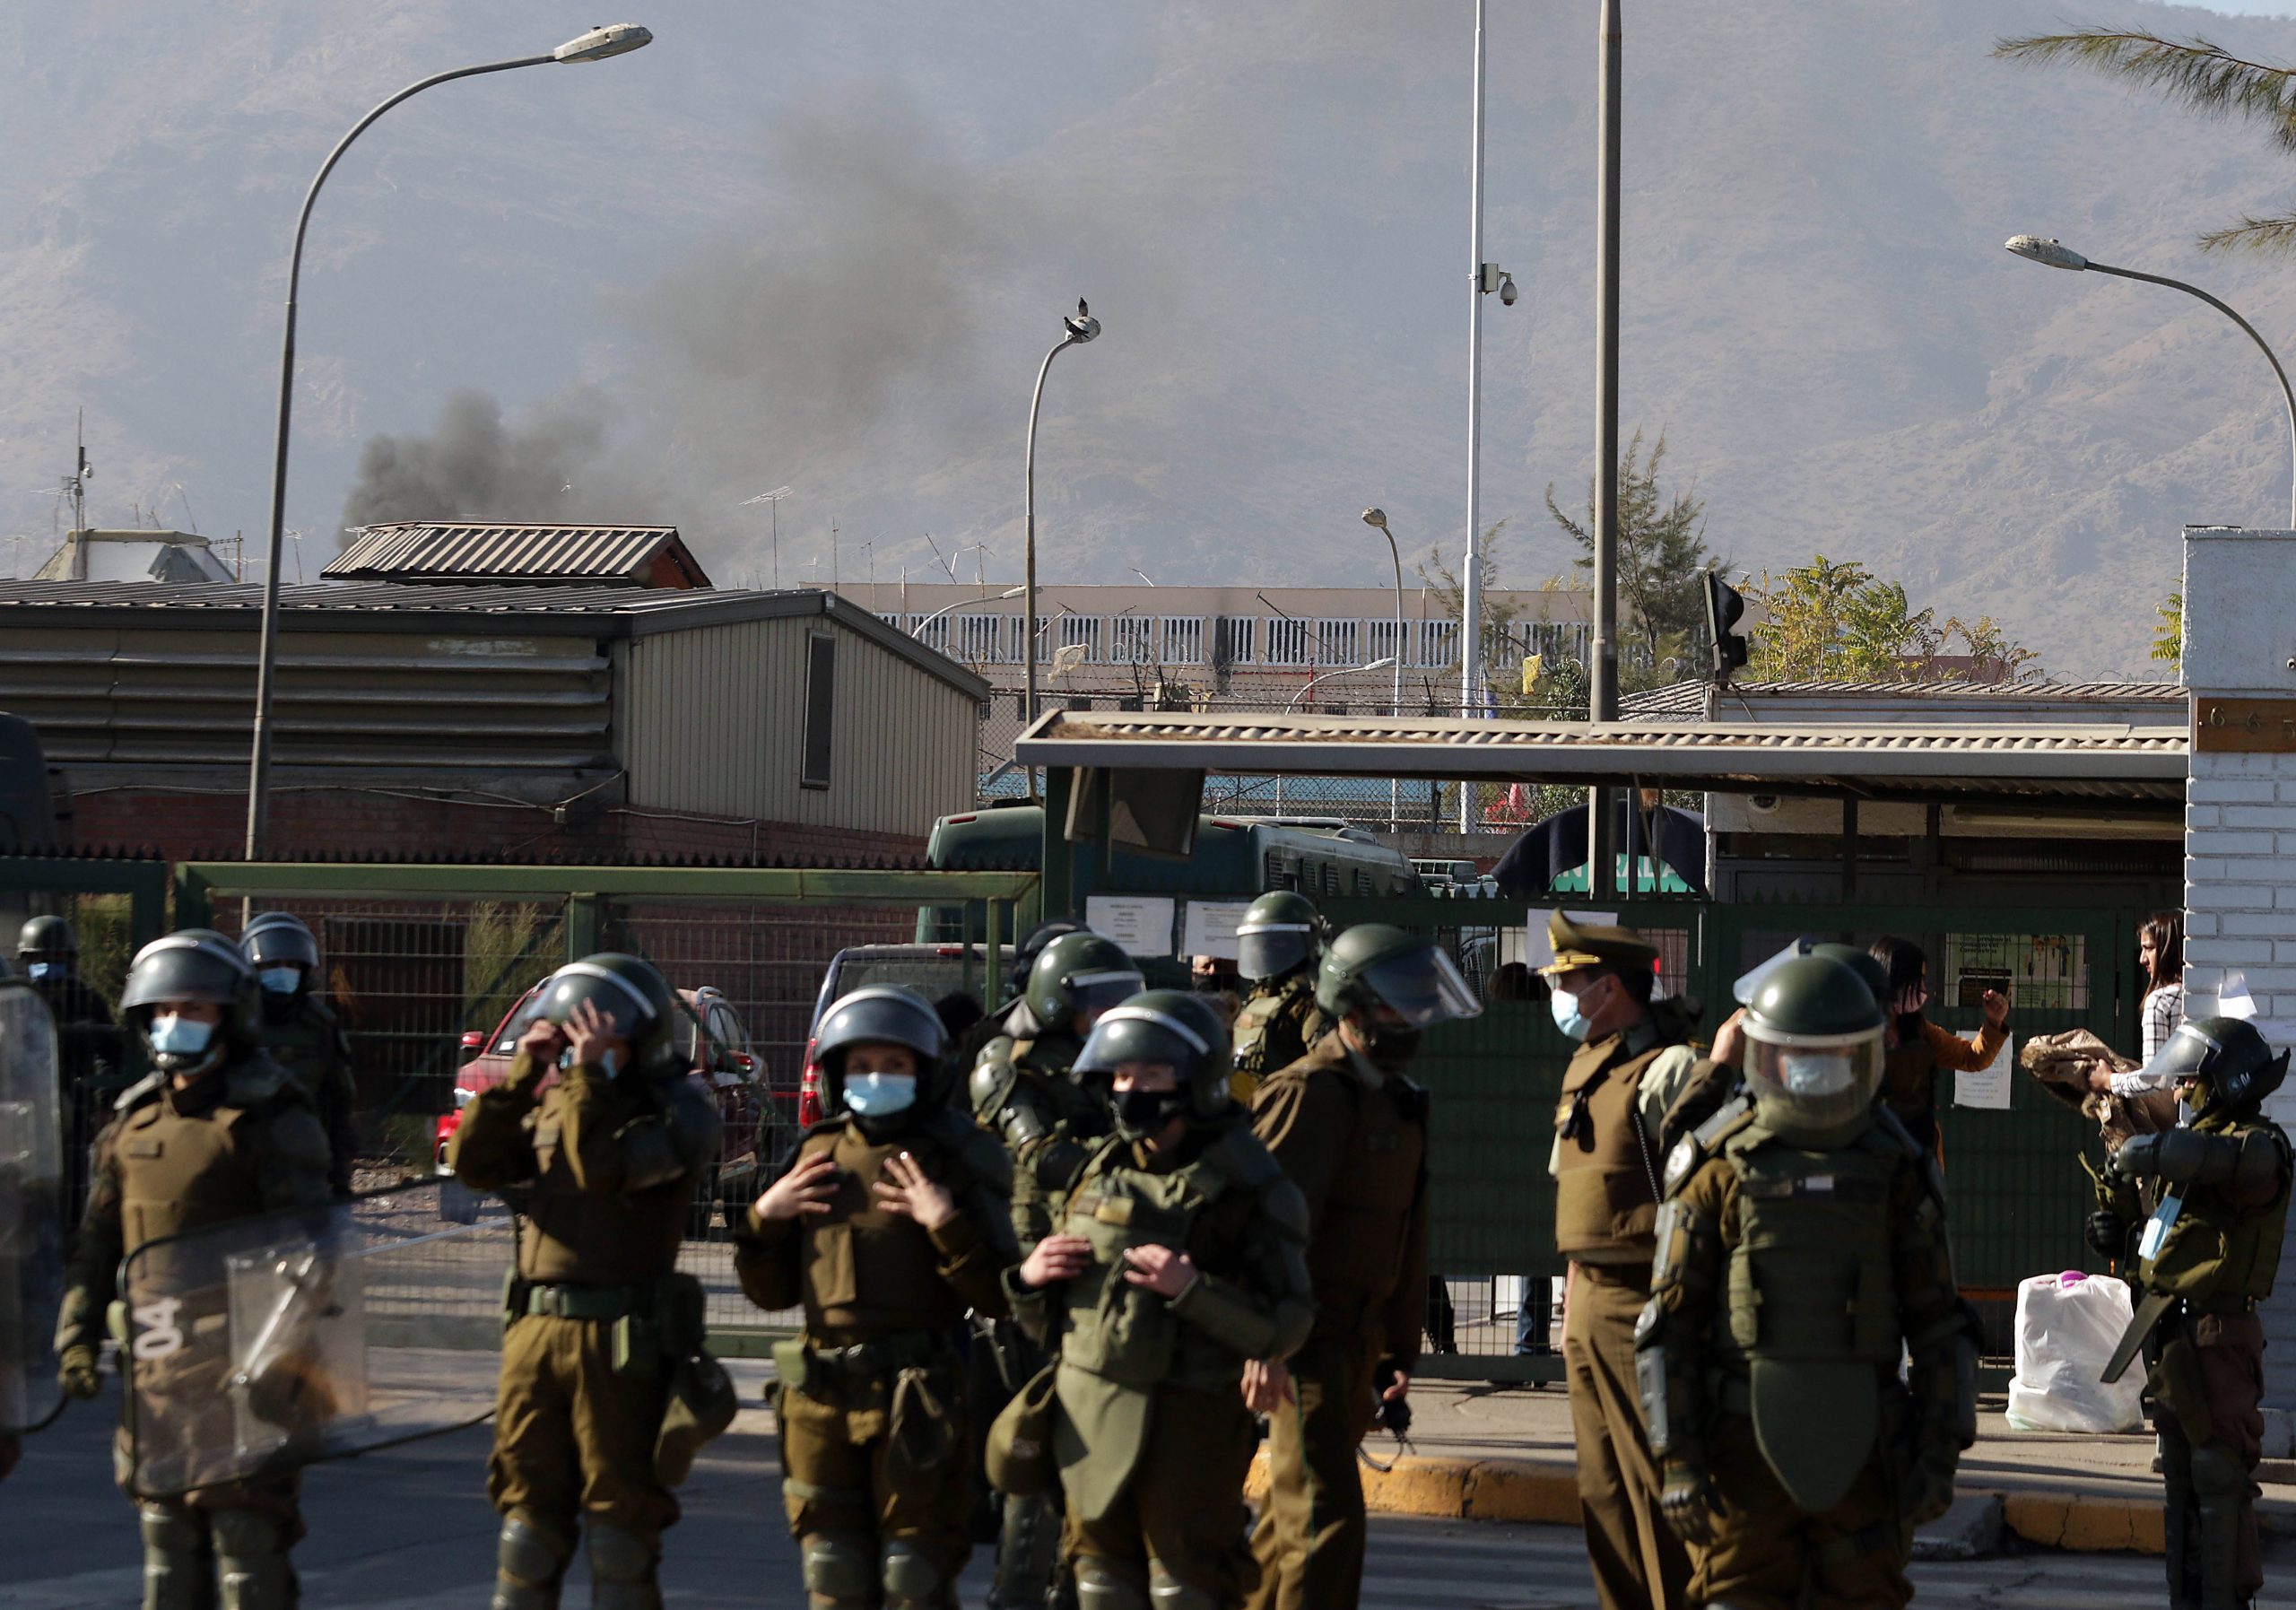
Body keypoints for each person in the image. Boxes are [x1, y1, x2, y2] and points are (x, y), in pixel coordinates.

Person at [1639, 951, 1979, 1610]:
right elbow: (1669, 1324)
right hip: (1745, 1457)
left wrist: (1939, 1452)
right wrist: (1678, 1458)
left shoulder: (1896, 1168)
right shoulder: (1720, 1164)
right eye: (1803, 1058)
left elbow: (1940, 1326)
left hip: (1867, 1453)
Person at [53, 928, 335, 1610]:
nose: (174, 1022)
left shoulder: (270, 1116)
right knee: (167, 1554)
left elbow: (311, 1255)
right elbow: (97, 1245)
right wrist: (76, 1335)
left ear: (231, 1015)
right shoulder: (132, 1120)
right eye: (163, 1009)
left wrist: (270, 1359)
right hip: (157, 1373)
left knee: (245, 1551)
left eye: (195, 1009)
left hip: (248, 1371)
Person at [1012, 989, 1313, 1610]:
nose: (1132, 1089)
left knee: (1186, 1590)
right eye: (1122, 1074)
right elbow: (1053, 1323)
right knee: (1100, 1586)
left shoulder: (1247, 1180)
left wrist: (1194, 1293)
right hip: (1091, 1417)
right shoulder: (1095, 1171)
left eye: (1151, 1074)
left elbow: (1288, 1319)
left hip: (1191, 1420)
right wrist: (1030, 1280)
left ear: (1196, 1079)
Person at [447, 953, 723, 1610]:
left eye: (595, 1035)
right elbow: (472, 1161)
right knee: (527, 1529)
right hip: (536, 1334)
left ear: (639, 1037)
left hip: (620, 1341)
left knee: (618, 1534)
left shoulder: (679, 1113)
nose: (577, 1048)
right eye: (569, 1035)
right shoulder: (556, 1104)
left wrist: (589, 1079)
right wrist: (521, 1078)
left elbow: (601, 1167)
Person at [736, 984, 1017, 1610]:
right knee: (833, 1572)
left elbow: (999, 1295)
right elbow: (771, 1292)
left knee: (914, 1574)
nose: (876, 1078)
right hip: (821, 1400)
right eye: (861, 1065)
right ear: (838, 1072)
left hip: (916, 1400)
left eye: (894, 1066)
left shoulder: (955, 1154)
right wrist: (765, 1217)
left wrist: (944, 1221)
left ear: (925, 1071)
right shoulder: (816, 1154)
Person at [1245, 924, 1481, 1610]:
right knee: (1325, 1522)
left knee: (1288, 1529)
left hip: (1356, 1344)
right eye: (1395, 1003)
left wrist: (1396, 1351)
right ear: (1350, 1007)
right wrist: (1265, 1342)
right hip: (1306, 1345)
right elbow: (1262, 1227)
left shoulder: (1391, 1096)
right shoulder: (1310, 1092)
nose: (1412, 1018)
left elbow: (1405, 1233)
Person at [970, 929, 1142, 1609]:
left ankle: (1076, 1585)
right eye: (1090, 1001)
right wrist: (1133, 1179)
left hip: (1100, 1259)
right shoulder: (1007, 1063)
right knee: (1040, 1445)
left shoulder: (1105, 1057)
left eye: (1112, 1001)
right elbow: (1040, 1151)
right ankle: (1018, 1590)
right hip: (1035, 1267)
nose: (1103, 1014)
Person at [1540, 909, 1702, 1610]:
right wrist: (1573, 1301)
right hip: (1588, 1301)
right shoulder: (1588, 1066)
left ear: (1609, 988)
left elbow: (1705, 1190)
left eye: (1571, 981)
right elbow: (1576, 1199)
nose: (1564, 995)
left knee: (1655, 1485)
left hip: (1646, 1299)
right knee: (1603, 1489)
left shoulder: (1671, 1066)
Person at [2105, 1016, 2292, 1610]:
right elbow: (2165, 1241)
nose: (2181, 1091)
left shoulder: (2258, 1145)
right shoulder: (2191, 1161)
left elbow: (2234, 1162)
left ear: (2225, 1081)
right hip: (2177, 1336)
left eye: (2191, 1080)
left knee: (2219, 1477)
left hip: (2220, 1336)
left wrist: (2151, 1148)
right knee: (2183, 1479)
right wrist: (2120, 1228)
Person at [240, 913, 360, 1197]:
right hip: (239, 1160)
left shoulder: (319, 1024)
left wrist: (340, 1179)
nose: (282, 973)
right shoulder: (234, 1018)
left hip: (302, 1160)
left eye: (291, 965)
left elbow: (340, 1104)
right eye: (271, 965)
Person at [17, 915, 125, 1219]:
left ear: (71, 960)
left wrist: (104, 1104)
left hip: (76, 1108)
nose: (50, 966)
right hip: (25, 1109)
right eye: (41, 959)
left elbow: (113, 1056)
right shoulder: (17, 1002)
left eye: (58, 958)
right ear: (27, 961)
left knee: (75, 1189)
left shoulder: (88, 1001)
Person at [1867, 935, 2008, 1158]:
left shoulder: (1920, 1029)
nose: (1925, 990)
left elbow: (1972, 1057)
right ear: (1897, 979)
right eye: (1918, 980)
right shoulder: (1856, 1031)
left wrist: (1993, 1022)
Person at [1228, 892, 1328, 1104]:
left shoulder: (1307, 1007)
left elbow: (1326, 1076)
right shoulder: (1257, 998)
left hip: (1283, 1111)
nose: (1263, 950)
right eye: (1259, 943)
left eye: (1278, 943)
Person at [2087, 910, 2188, 1099]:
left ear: (2169, 949)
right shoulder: (2202, 994)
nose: (2142, 959)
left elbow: (2154, 1079)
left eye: (2149, 948)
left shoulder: (2160, 1001)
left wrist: (2108, 1080)